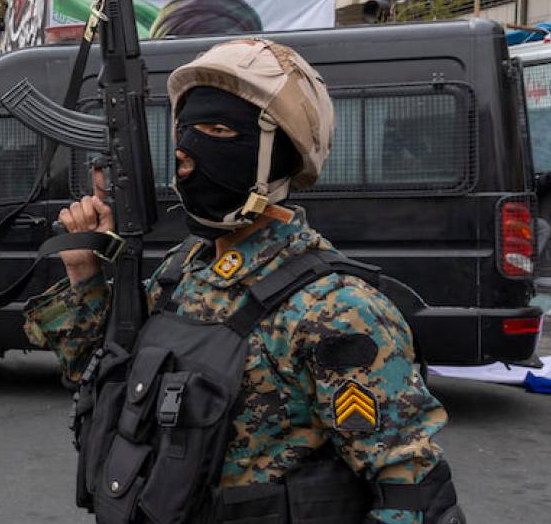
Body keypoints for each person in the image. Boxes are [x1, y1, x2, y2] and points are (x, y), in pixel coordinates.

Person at [24, 39, 464, 524]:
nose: (187, 154)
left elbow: (409, 489)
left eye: (217, 130)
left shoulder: (337, 310)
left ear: (278, 156)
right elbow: (103, 382)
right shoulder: (181, 273)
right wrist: (84, 271)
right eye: (185, 132)